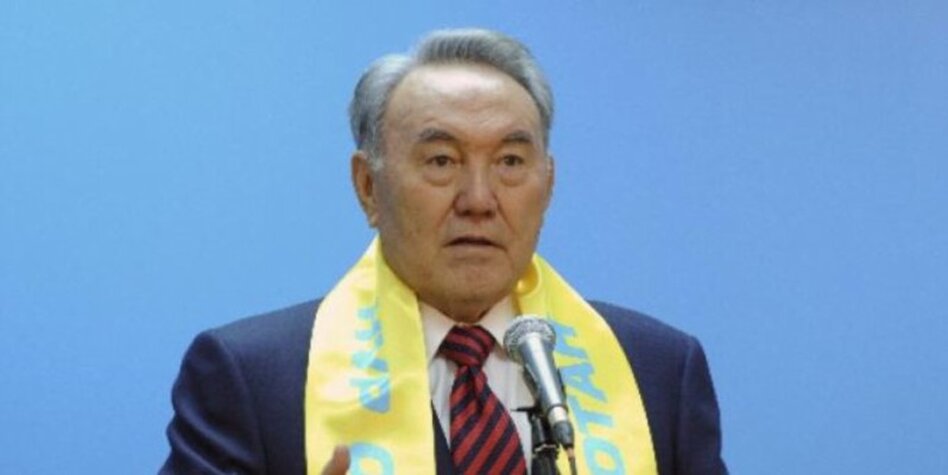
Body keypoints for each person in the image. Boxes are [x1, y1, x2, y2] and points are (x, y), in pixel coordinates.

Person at [161, 28, 727, 475]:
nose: (479, 200)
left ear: (549, 184)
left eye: (510, 162)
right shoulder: (254, 380)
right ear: (368, 187)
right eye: (441, 161)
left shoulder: (657, 373)